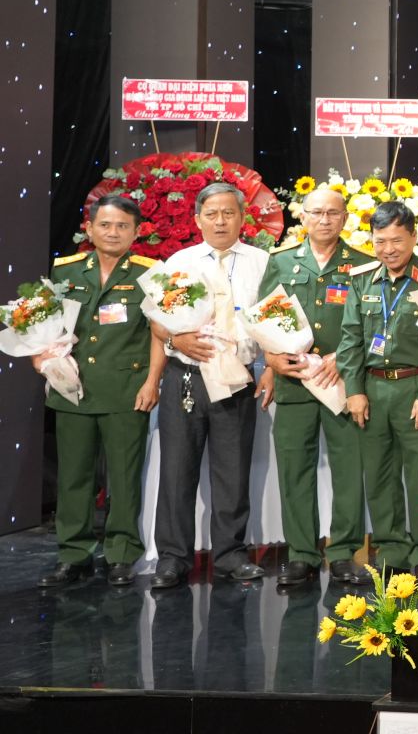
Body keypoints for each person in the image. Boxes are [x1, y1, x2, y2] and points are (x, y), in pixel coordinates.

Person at [148, 181, 271, 588]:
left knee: (232, 471)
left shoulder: (261, 262)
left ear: (242, 218)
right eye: (212, 214)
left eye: (228, 213)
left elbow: (276, 318)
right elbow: (156, 321)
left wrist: (271, 367)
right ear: (198, 219)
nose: (220, 221)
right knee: (176, 470)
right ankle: (173, 558)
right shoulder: (179, 262)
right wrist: (175, 339)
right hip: (185, 377)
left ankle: (231, 554)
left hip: (237, 378)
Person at [39, 196, 161, 588]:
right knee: (73, 477)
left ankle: (121, 554)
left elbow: (159, 333)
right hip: (73, 388)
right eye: (105, 225)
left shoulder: (149, 273)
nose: (113, 232)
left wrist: (152, 382)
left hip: (126, 389)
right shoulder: (66, 269)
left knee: (124, 477)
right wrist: (41, 357)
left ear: (136, 232)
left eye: (122, 226)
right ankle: (73, 555)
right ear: (89, 228)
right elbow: (44, 324)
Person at [258, 186, 375, 587]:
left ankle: (343, 552)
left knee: (349, 470)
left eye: (333, 213)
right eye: (317, 212)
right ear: (303, 217)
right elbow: (265, 317)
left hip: (342, 382)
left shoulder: (363, 264)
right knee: (294, 470)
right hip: (295, 383)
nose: (325, 220)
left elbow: (372, 321)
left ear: (346, 219)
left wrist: (343, 358)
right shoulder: (281, 262)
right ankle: (302, 554)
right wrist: (271, 359)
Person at [336, 201, 418, 578]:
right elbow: (350, 339)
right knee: (379, 472)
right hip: (373, 389)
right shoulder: (362, 280)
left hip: (416, 387)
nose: (388, 249)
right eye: (380, 241)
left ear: (414, 237)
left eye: (397, 241)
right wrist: (354, 390)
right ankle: (391, 548)